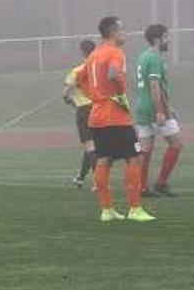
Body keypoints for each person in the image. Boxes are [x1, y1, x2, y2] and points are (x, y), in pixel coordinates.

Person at [76, 17, 154, 222]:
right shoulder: (115, 52)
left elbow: (79, 78)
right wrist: (119, 93)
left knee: (104, 159)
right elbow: (113, 74)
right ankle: (135, 209)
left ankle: (106, 210)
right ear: (113, 32)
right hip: (115, 116)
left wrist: (94, 95)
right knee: (134, 158)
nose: (125, 33)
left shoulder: (93, 55)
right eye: (122, 30)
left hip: (97, 117)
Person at [135, 24, 183, 197]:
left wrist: (168, 106)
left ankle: (141, 187)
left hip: (142, 108)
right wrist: (161, 111)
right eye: (166, 37)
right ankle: (161, 183)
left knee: (145, 149)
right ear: (158, 39)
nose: (168, 40)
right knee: (176, 143)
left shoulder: (143, 56)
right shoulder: (155, 58)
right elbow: (154, 85)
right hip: (154, 108)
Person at [62, 39, 96, 188]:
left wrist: (71, 101)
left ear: (82, 51)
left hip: (84, 109)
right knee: (93, 147)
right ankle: (81, 178)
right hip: (99, 109)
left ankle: (98, 182)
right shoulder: (99, 69)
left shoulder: (78, 71)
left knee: (90, 146)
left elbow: (65, 94)